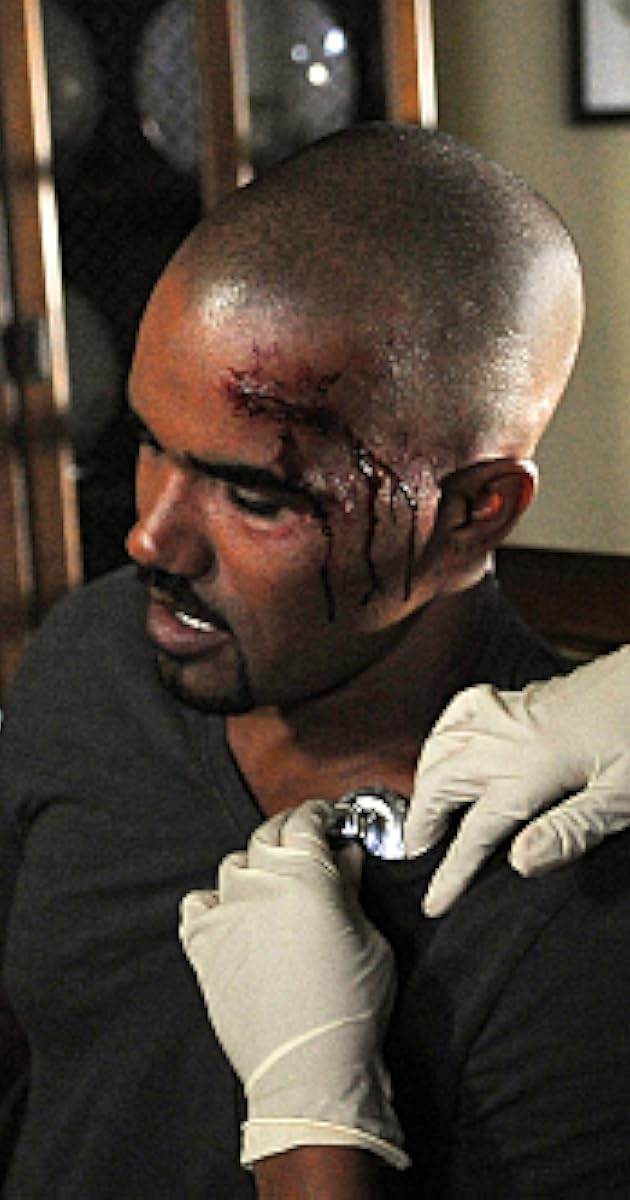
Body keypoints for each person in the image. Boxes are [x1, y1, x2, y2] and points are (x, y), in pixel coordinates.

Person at [1, 122, 627, 1197]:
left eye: (255, 495)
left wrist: (315, 1120)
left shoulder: (571, 903)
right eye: (148, 444)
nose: (150, 537)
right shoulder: (97, 658)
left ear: (472, 512)